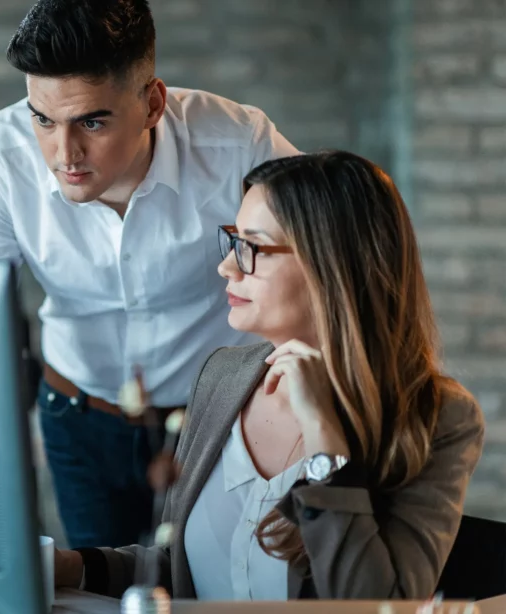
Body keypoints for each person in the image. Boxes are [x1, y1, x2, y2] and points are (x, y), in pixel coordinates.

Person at [53, 151, 486, 600]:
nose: (227, 266)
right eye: (233, 240)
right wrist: (73, 567)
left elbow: (383, 603)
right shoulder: (223, 376)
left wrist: (324, 439)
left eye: (252, 247)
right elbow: (183, 570)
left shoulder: (438, 418)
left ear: (330, 263)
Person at [0, 0, 298, 548]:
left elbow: (324, 263)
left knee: (210, 582)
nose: (64, 154)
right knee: (95, 583)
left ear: (152, 103)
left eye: (92, 121)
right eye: (43, 120)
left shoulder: (239, 144)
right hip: (77, 415)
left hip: (218, 420)